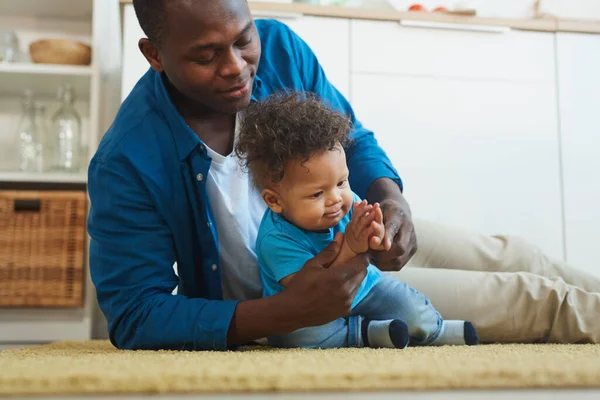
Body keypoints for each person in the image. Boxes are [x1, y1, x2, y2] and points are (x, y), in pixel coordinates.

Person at [87, 0, 600, 351]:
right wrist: (285, 311)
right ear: (154, 55)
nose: (236, 66)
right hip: (309, 285)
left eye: (244, 38)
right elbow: (135, 312)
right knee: (531, 300)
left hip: (351, 227)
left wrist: (391, 200)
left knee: (516, 254)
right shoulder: (127, 161)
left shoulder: (282, 48)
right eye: (205, 55)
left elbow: (351, 140)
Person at [235, 91, 479, 349]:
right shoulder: (276, 239)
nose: (336, 199)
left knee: (409, 306)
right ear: (275, 201)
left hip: (365, 287)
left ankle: (436, 330)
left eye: (341, 182)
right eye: (317, 193)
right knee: (299, 338)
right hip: (308, 312)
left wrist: (378, 235)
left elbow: (373, 245)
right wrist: (351, 246)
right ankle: (364, 334)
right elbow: (316, 292)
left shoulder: (346, 200)